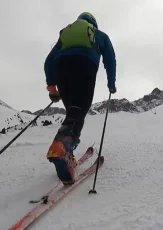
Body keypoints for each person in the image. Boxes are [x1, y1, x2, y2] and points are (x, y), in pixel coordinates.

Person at [44, 12, 116, 184]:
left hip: (63, 71)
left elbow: (49, 61)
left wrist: (52, 88)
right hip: (85, 67)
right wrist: (111, 84)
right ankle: (61, 146)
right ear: (93, 24)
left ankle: (66, 152)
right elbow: (110, 59)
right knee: (79, 112)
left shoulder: (64, 35)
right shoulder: (99, 35)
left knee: (72, 114)